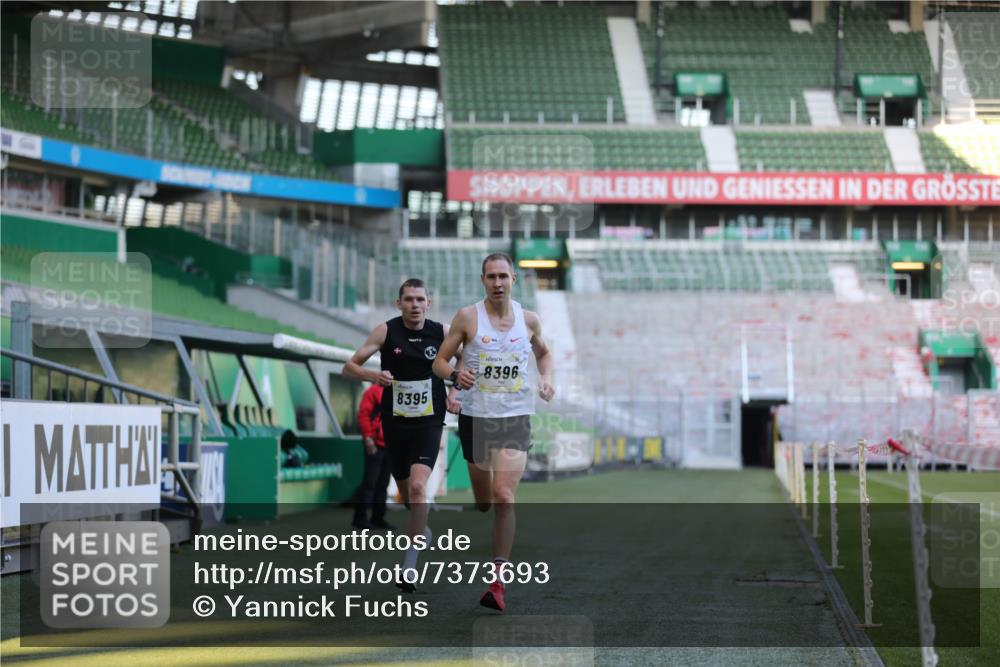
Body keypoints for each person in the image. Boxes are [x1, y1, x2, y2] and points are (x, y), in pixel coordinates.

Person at [433, 252, 554, 612]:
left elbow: (545, 355)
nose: (497, 283)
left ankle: (498, 582)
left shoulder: (529, 320)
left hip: (515, 416)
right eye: (491, 277)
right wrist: (456, 376)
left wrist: (547, 379)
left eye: (503, 276)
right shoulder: (468, 317)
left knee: (504, 496)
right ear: (482, 280)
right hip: (476, 417)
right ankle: (482, 498)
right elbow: (439, 361)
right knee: (484, 501)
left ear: (513, 280)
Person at [343, 278, 461, 591]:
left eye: (420, 299)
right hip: (394, 423)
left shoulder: (442, 332)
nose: (414, 305)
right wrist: (373, 374)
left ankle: (409, 567)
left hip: (429, 420)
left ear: (429, 303)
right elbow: (349, 367)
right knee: (409, 496)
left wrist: (455, 391)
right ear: (399, 303)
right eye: (408, 299)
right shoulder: (386, 331)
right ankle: (422, 532)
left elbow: (464, 359)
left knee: (420, 488)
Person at [351, 382, 393, 530]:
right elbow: (363, 415)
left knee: (383, 483)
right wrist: (368, 438)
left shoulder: (398, 390)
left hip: (389, 445)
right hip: (374, 444)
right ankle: (360, 518)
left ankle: (378, 518)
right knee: (370, 482)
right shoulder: (373, 391)